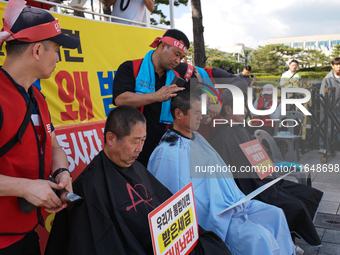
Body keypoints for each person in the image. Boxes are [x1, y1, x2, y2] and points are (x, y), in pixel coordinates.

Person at [45, 106, 231, 255]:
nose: (140, 149)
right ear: (111, 138)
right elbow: (101, 243)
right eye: (135, 141)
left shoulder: (136, 166)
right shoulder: (89, 186)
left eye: (143, 140)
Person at [148, 91, 295, 255]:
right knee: (258, 236)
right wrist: (220, 207)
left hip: (232, 204)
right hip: (211, 215)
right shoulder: (167, 152)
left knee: (276, 214)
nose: (201, 117)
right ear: (178, 114)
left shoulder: (196, 138)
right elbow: (177, 198)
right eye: (197, 113)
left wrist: (233, 200)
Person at [0, 2, 79, 254]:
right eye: (56, 50)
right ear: (36, 50)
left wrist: (62, 171)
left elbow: (54, 145)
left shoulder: (37, 96)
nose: (58, 58)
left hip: (26, 233)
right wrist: (24, 187)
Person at [209, 89, 324, 252]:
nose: (245, 110)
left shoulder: (241, 129)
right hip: (247, 187)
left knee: (306, 193)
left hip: (261, 179)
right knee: (294, 204)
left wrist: (263, 158)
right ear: (228, 109)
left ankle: (288, 238)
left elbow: (258, 160)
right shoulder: (222, 137)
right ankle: (287, 241)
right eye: (241, 106)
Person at [112, 29, 189, 167]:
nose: (178, 61)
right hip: (133, 151)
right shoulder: (130, 68)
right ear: (163, 46)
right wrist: (156, 96)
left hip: (164, 151)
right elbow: (120, 100)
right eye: (176, 54)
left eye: (181, 57)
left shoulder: (177, 79)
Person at [319, 57, 340, 153]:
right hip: (329, 108)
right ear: (333, 66)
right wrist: (325, 108)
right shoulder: (327, 79)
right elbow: (322, 95)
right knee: (326, 128)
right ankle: (323, 147)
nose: (339, 67)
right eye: (337, 64)